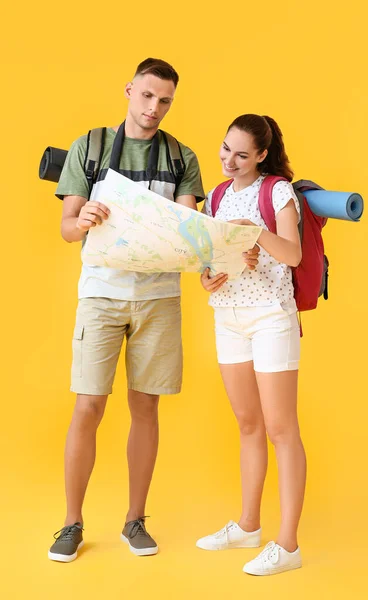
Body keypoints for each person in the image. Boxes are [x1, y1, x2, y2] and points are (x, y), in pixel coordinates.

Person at [48, 59, 259, 563]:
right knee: (88, 407)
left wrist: (215, 259)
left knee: (146, 408)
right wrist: (85, 217)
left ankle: (134, 520)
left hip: (159, 299)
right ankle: (71, 523)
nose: (153, 108)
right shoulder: (91, 147)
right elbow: (66, 226)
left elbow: (187, 233)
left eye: (164, 101)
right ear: (129, 90)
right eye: (146, 96)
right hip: (100, 293)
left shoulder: (182, 157)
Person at [197, 114, 306, 576]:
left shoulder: (277, 190)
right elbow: (203, 258)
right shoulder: (216, 196)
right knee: (247, 424)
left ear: (261, 155)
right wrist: (207, 277)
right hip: (228, 316)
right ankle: (247, 525)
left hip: (270, 318)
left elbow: (293, 254)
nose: (229, 161)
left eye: (242, 154)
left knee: (281, 429)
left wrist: (254, 231)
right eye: (225, 149)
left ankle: (288, 545)